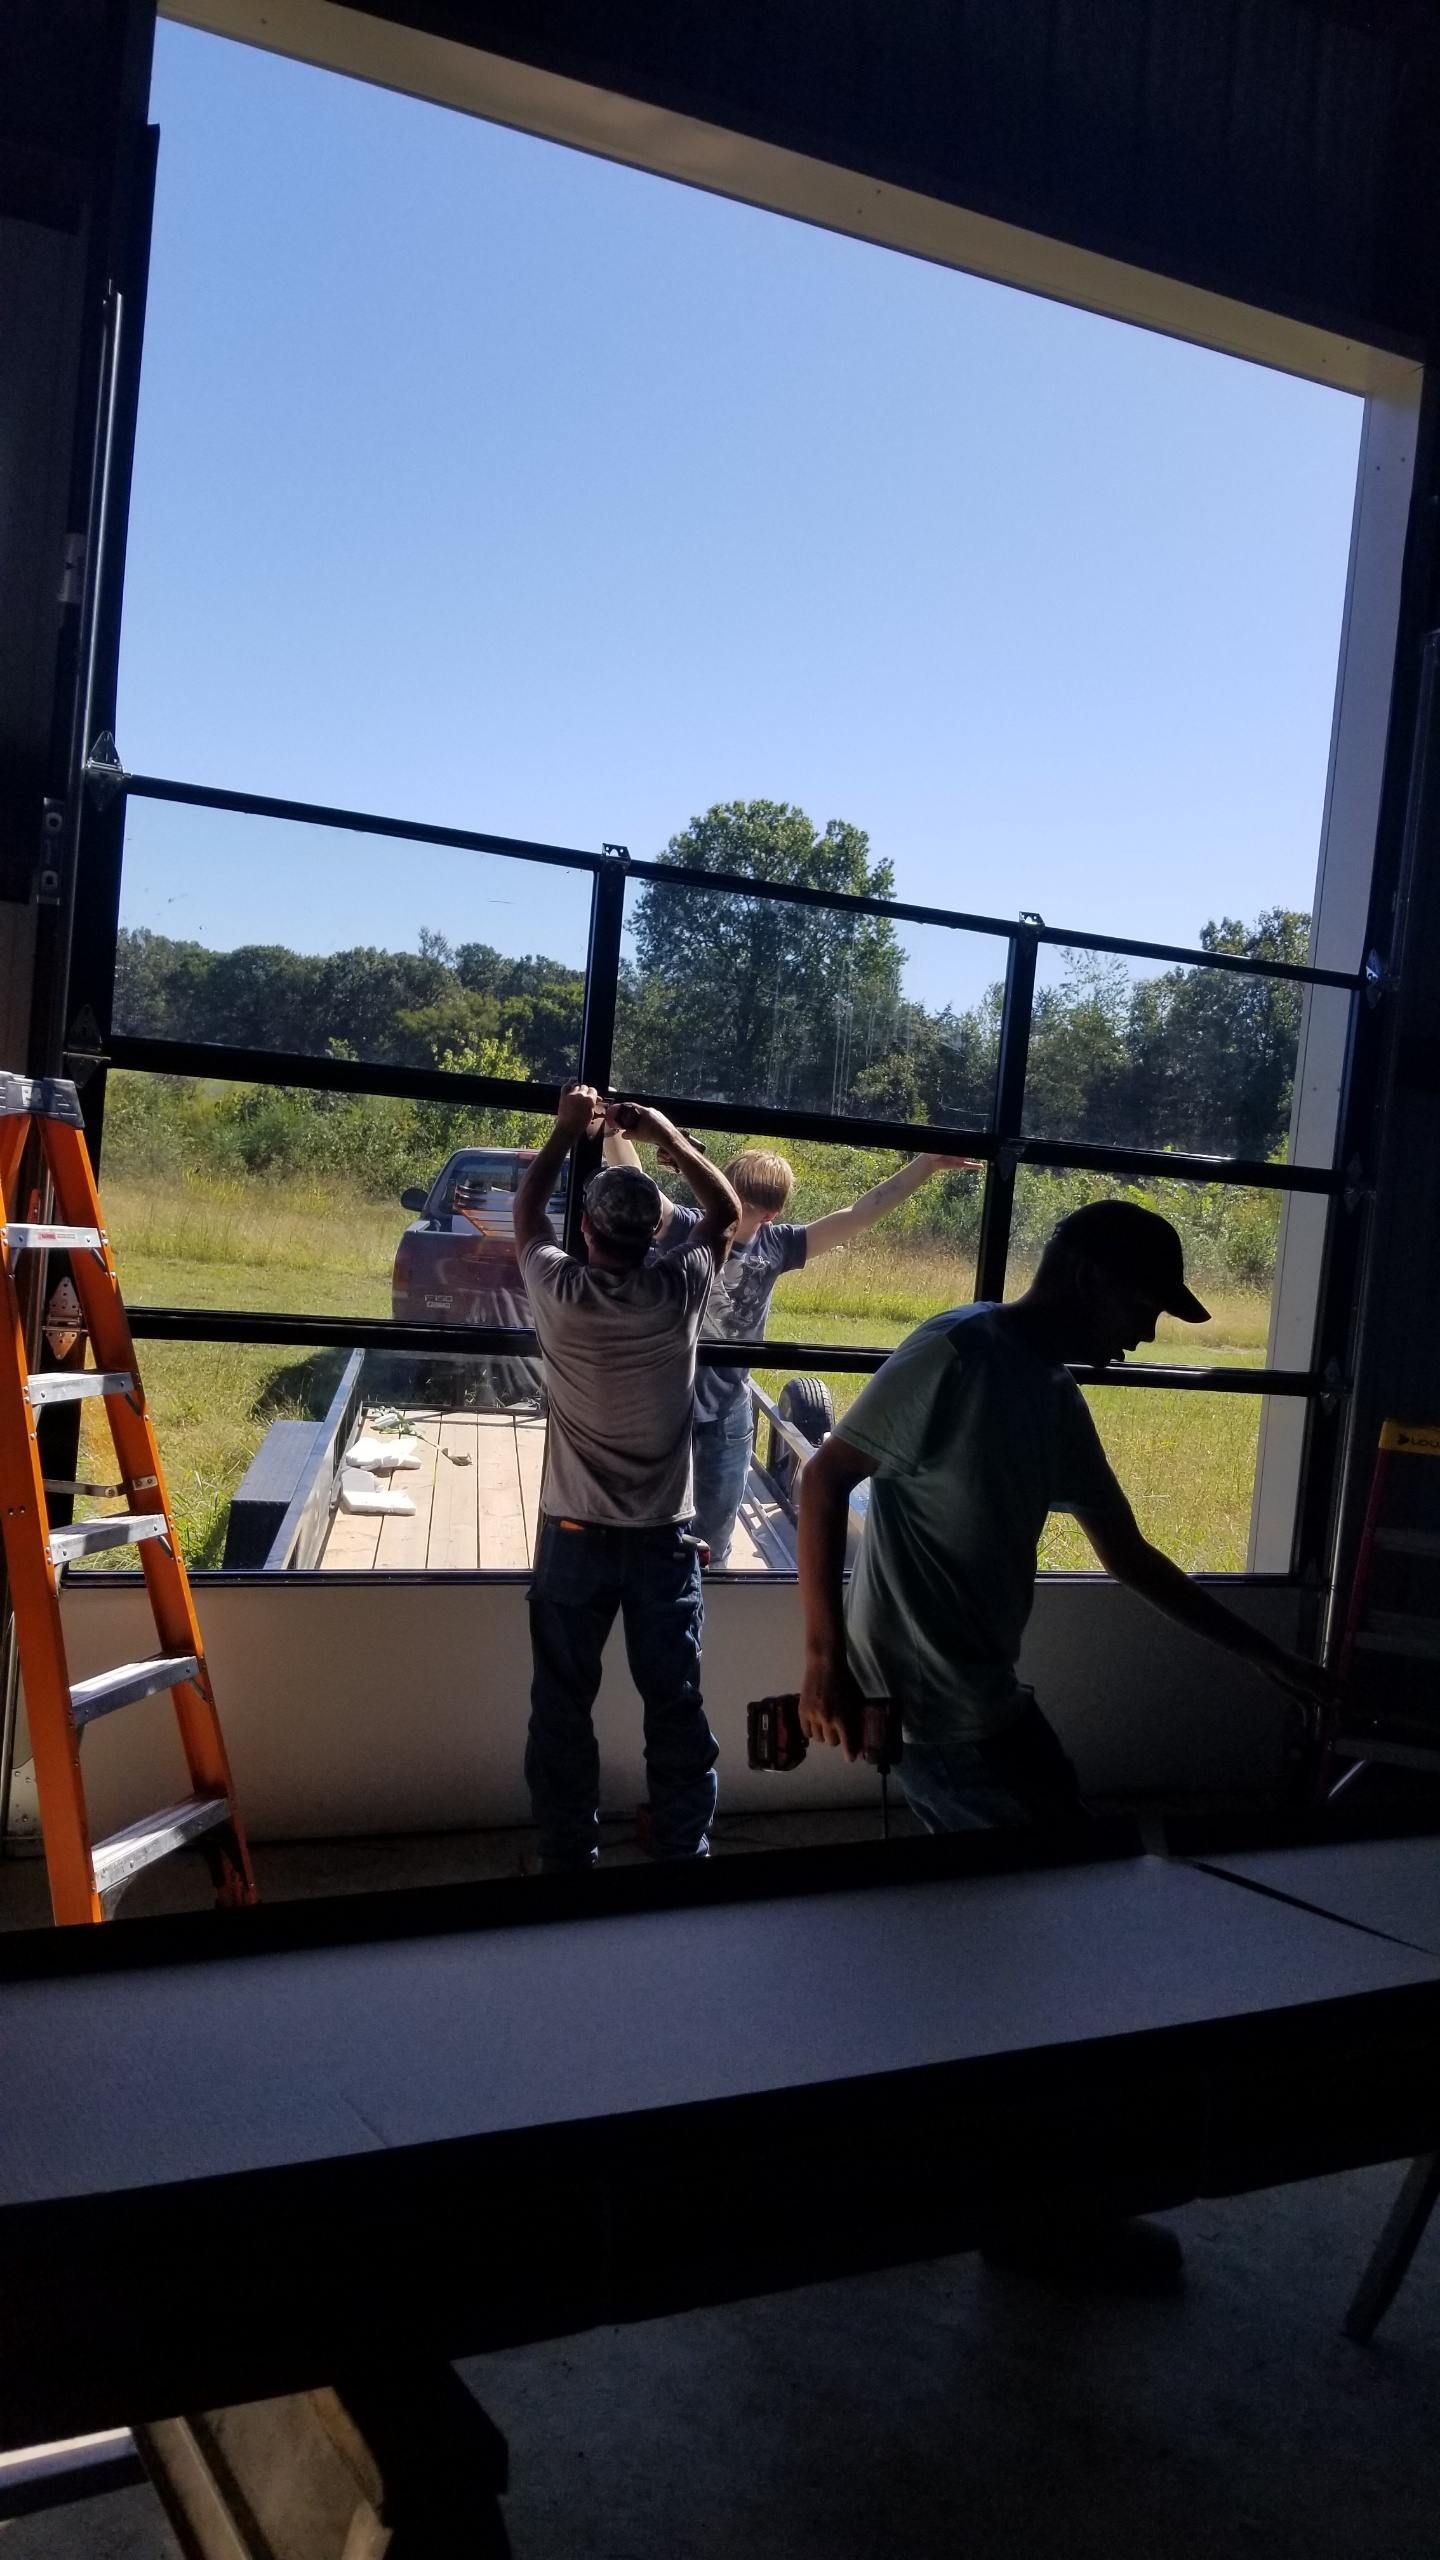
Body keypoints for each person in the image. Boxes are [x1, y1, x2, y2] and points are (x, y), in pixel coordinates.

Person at [797, 1199, 1332, 1830]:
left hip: (986, 1696)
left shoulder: (1055, 1397)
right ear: (1088, 1280)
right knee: (1054, 1874)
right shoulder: (957, 1353)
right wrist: (824, 1662)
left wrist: (1269, 1656)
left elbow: (1130, 1556)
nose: (1146, 1334)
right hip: (935, 1714)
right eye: (1143, 1308)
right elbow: (824, 1480)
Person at [514, 1084, 741, 1872]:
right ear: (653, 1234)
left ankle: (569, 1861)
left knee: (561, 1709)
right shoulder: (677, 1290)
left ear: (585, 1230)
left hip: (573, 1537)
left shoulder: (560, 1290)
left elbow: (526, 1213)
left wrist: (565, 1131)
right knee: (675, 1707)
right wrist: (667, 1135)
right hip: (662, 1543)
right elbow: (724, 1214)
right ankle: (684, 1857)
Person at [602, 1132, 978, 1564]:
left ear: (770, 1214)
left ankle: (710, 1581)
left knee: (715, 1532)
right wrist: (612, 1134)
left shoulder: (778, 1245)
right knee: (649, 1522)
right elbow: (638, 1183)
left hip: (727, 1406)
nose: (727, 1207)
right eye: (724, 1193)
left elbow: (857, 1216)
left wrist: (925, 1165)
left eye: (741, 1204)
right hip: (665, 1403)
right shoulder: (687, 1226)